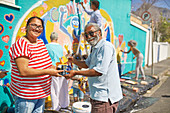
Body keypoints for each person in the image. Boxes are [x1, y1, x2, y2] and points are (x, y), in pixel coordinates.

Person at [8, 16, 63, 113]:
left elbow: (46, 63)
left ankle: (8, 110)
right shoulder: (22, 44)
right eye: (33, 25)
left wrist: (59, 70)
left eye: (40, 27)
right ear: (26, 27)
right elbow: (23, 71)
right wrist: (47, 71)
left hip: (41, 92)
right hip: (26, 95)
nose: (37, 28)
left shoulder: (40, 42)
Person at [64, 23, 123, 113]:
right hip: (98, 95)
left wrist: (76, 73)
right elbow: (87, 64)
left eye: (91, 33)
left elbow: (98, 71)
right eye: (86, 35)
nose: (89, 37)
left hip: (105, 98)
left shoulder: (105, 47)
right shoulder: (95, 48)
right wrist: (74, 61)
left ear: (99, 32)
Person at [46, 32, 70, 111]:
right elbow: (62, 57)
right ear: (57, 38)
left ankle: (55, 106)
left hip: (52, 68)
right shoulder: (60, 47)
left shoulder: (47, 46)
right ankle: (64, 104)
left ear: (50, 38)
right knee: (62, 87)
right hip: (61, 67)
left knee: (54, 89)